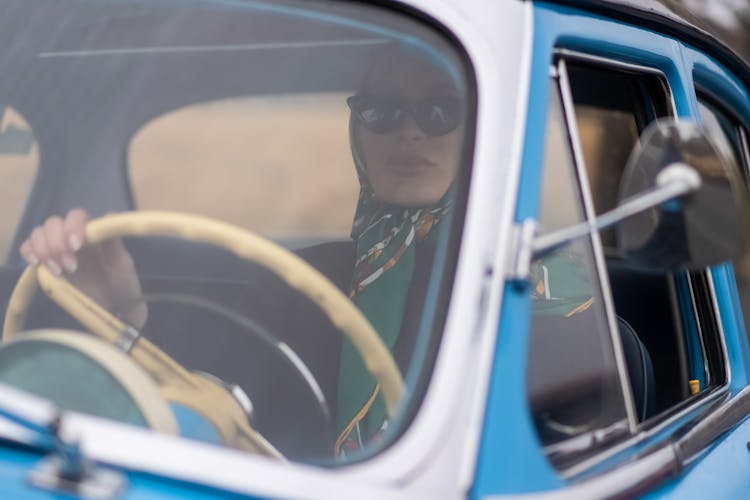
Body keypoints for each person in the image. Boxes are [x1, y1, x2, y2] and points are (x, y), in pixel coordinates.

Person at [18, 44, 465, 458]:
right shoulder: (298, 280)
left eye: (440, 109)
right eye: (381, 109)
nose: (410, 132)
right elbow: (212, 409)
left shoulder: (516, 286)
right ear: (359, 128)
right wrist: (117, 320)